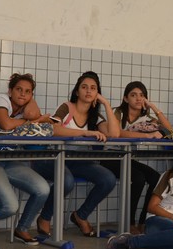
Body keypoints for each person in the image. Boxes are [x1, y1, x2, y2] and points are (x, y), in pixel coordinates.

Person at [33, 71, 120, 237]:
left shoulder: (95, 116)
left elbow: (114, 135)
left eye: (93, 88)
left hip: (78, 161)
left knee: (107, 179)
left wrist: (106, 104)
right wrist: (85, 133)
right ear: (77, 91)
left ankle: (81, 215)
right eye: (84, 87)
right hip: (53, 158)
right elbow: (54, 129)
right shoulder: (67, 107)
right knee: (66, 181)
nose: (88, 91)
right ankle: (44, 217)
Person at [0, 73, 53, 244]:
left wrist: (33, 113)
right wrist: (35, 121)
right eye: (19, 89)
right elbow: (6, 124)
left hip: (10, 160)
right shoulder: (1, 100)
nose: (22, 94)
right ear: (10, 91)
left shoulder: (26, 110)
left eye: (28, 92)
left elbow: (36, 115)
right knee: (10, 206)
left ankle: (22, 229)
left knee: (43, 189)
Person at [106, 139, 173, 249]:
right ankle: (130, 242)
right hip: (158, 222)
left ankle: (152, 241)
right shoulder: (169, 176)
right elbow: (151, 207)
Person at [106, 81, 169, 232]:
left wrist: (153, 107)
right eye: (133, 95)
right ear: (126, 98)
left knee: (156, 177)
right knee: (139, 178)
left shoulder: (146, 118)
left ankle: (143, 221)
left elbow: (169, 130)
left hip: (128, 158)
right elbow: (117, 133)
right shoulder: (117, 112)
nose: (138, 98)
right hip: (110, 158)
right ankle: (129, 223)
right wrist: (146, 135)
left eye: (142, 95)